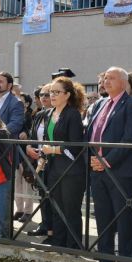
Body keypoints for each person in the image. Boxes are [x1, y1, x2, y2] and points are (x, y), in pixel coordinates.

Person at [86, 67, 132, 261]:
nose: (105, 82)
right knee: (102, 215)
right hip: (96, 169)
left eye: (111, 78)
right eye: (105, 78)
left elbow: (130, 138)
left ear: (123, 82)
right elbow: (91, 134)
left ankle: (126, 258)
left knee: (123, 217)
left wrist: (107, 160)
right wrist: (91, 158)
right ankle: (105, 255)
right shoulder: (100, 103)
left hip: (120, 170)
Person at [41, 77, 86, 249]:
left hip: (71, 170)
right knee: (56, 208)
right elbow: (47, 139)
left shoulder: (72, 114)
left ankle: (72, 245)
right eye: (50, 92)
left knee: (70, 209)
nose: (52, 95)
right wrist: (43, 155)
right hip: (54, 168)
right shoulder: (49, 114)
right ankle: (58, 243)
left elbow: (75, 145)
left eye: (56, 92)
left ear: (67, 95)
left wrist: (52, 150)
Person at [26, 83, 53, 238]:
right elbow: (32, 136)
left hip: (53, 160)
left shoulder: (57, 114)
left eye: (47, 95)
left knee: (52, 195)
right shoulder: (38, 115)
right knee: (42, 194)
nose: (43, 98)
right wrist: (29, 147)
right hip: (39, 162)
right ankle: (44, 225)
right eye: (41, 95)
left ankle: (53, 229)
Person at [14, 92, 35, 223]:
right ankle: (19, 209)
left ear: (27, 104)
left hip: (26, 154)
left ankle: (28, 211)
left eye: (21, 102)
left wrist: (26, 133)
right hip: (15, 153)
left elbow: (32, 131)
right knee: (17, 183)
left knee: (27, 183)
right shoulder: (15, 115)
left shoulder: (30, 116)